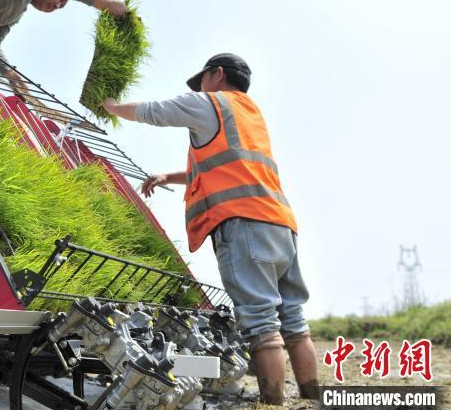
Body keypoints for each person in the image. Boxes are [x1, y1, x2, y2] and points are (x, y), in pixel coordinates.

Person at [101, 53, 319, 405]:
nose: (199, 89)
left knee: (262, 324)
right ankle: (312, 396)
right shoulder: (251, 114)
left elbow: (155, 111)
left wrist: (112, 107)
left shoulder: (210, 104)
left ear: (217, 74)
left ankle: (273, 401)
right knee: (293, 319)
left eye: (201, 80)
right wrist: (168, 176)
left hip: (244, 224)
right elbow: (227, 168)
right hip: (281, 223)